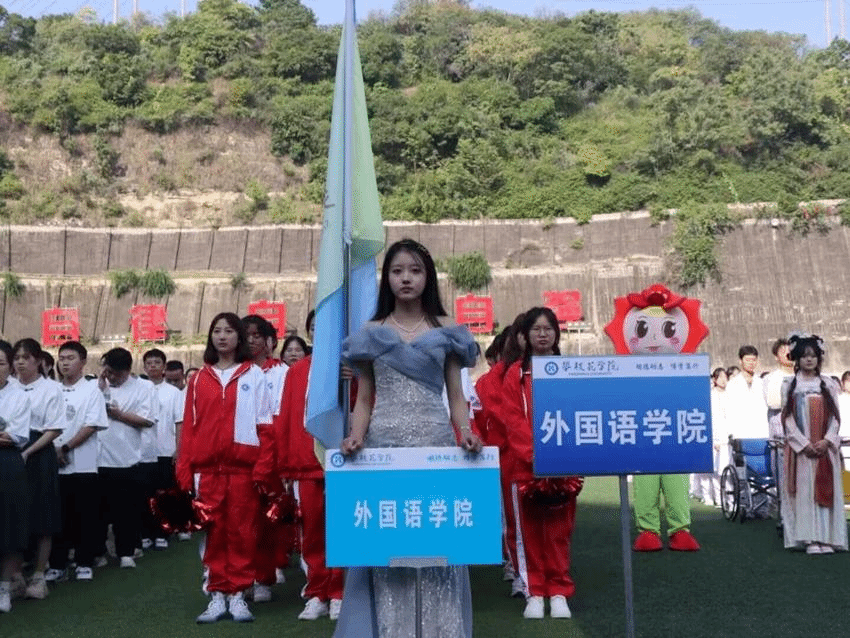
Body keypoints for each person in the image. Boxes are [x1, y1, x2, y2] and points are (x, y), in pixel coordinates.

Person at [334, 238, 481, 638]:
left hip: (435, 446)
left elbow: (456, 396)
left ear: (427, 277)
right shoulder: (371, 332)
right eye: (398, 271)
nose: (406, 279)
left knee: (438, 545)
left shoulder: (448, 329)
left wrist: (466, 432)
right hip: (384, 449)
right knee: (388, 548)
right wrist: (355, 436)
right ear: (387, 279)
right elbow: (364, 398)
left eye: (415, 271)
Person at [176, 312, 274, 624]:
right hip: (206, 472)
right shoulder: (197, 380)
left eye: (229, 331)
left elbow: (266, 426)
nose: (222, 336)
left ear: (239, 337)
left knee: (243, 533)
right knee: (213, 534)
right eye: (216, 331)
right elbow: (189, 429)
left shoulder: (254, 376)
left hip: (243, 471)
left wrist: (262, 468)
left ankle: (239, 594)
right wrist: (185, 471)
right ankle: (217, 594)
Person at [259, 310, 345, 621]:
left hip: (340, 462)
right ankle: (317, 592)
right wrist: (283, 464)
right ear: (309, 333)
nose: (320, 331)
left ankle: (339, 592)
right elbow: (285, 418)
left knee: (340, 529)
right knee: (310, 531)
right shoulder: (296, 373)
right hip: (304, 463)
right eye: (315, 327)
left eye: (327, 325)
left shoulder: (349, 367)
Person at [501, 307, 579, 620]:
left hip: (563, 464)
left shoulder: (569, 371)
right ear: (525, 336)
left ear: (557, 334)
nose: (543, 334)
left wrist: (560, 455)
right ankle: (534, 591)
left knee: (559, 530)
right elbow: (512, 419)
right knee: (529, 533)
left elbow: (577, 414)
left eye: (548, 329)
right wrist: (533, 455)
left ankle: (559, 591)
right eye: (537, 329)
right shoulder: (515, 375)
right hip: (526, 466)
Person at [780, 333, 848, 554]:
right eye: (804, 356)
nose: (809, 360)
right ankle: (810, 539)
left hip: (824, 449)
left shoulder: (827, 383)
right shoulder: (790, 385)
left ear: (819, 358)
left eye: (813, 356)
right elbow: (787, 419)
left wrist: (827, 440)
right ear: (797, 359)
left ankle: (827, 538)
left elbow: (836, 417)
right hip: (802, 452)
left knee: (826, 489)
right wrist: (803, 444)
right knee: (805, 493)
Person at [47, 342, 108, 583]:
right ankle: (57, 564)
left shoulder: (92, 391)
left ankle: (84, 561)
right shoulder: (52, 390)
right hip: (54, 464)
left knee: (85, 515)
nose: (64, 363)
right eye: (61, 358)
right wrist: (52, 450)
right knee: (58, 516)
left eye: (70, 358)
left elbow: (91, 425)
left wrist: (65, 448)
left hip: (83, 464)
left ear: (83, 362)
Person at [13, 338, 65, 600]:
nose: (20, 363)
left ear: (38, 361)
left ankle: (39, 575)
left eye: (26, 357)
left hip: (39, 451)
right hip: (11, 450)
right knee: (15, 514)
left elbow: (54, 428)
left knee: (43, 515)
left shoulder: (51, 389)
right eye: (16, 358)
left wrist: (28, 452)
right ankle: (14, 575)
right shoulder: (8, 387)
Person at [242, 314, 289, 603]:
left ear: (269, 340)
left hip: (271, 454)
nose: (251, 340)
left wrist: (279, 459)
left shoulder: (281, 373)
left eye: (257, 335)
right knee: (239, 521)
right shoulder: (235, 372)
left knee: (266, 519)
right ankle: (239, 578)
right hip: (240, 454)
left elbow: (282, 417)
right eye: (246, 335)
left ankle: (263, 577)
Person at [96, 347, 156, 570]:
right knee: (98, 511)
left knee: (126, 510)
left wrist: (118, 415)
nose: (111, 377)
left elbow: (147, 420)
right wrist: (100, 388)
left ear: (127, 370)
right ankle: (98, 552)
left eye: (116, 373)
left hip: (127, 458)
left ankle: (126, 552)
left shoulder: (144, 387)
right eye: (108, 371)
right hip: (97, 458)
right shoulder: (97, 386)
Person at [141, 348, 185, 551]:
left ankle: (162, 533)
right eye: (149, 363)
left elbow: (179, 422)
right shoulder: (139, 389)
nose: (153, 367)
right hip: (143, 451)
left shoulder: (173, 393)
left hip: (165, 449)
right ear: (144, 367)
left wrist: (178, 448)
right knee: (145, 494)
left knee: (164, 494)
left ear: (164, 367)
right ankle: (146, 532)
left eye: (157, 363)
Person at [0, 340, 32, 613]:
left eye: (0, 363)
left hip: (7, 464)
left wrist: (6, 436)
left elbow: (14, 436)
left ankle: (4, 588)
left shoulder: (19, 396)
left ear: (10, 366)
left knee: (9, 526)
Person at [725, 346, 768, 439]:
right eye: (748, 360)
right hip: (740, 434)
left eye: (754, 360)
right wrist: (730, 433)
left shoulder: (762, 382)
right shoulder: (732, 384)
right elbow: (728, 410)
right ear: (740, 361)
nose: (751, 363)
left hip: (762, 432)